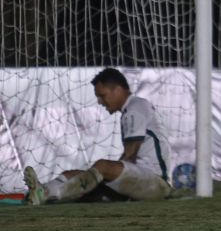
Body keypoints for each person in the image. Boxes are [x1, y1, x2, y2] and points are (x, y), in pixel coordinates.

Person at [23, 67, 172, 204]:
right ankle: (41, 190)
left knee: (101, 167)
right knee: (72, 174)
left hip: (156, 183)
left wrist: (104, 175)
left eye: (102, 95)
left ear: (118, 90)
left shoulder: (136, 107)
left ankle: (50, 195)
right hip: (140, 179)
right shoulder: (133, 109)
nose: (100, 102)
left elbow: (131, 153)